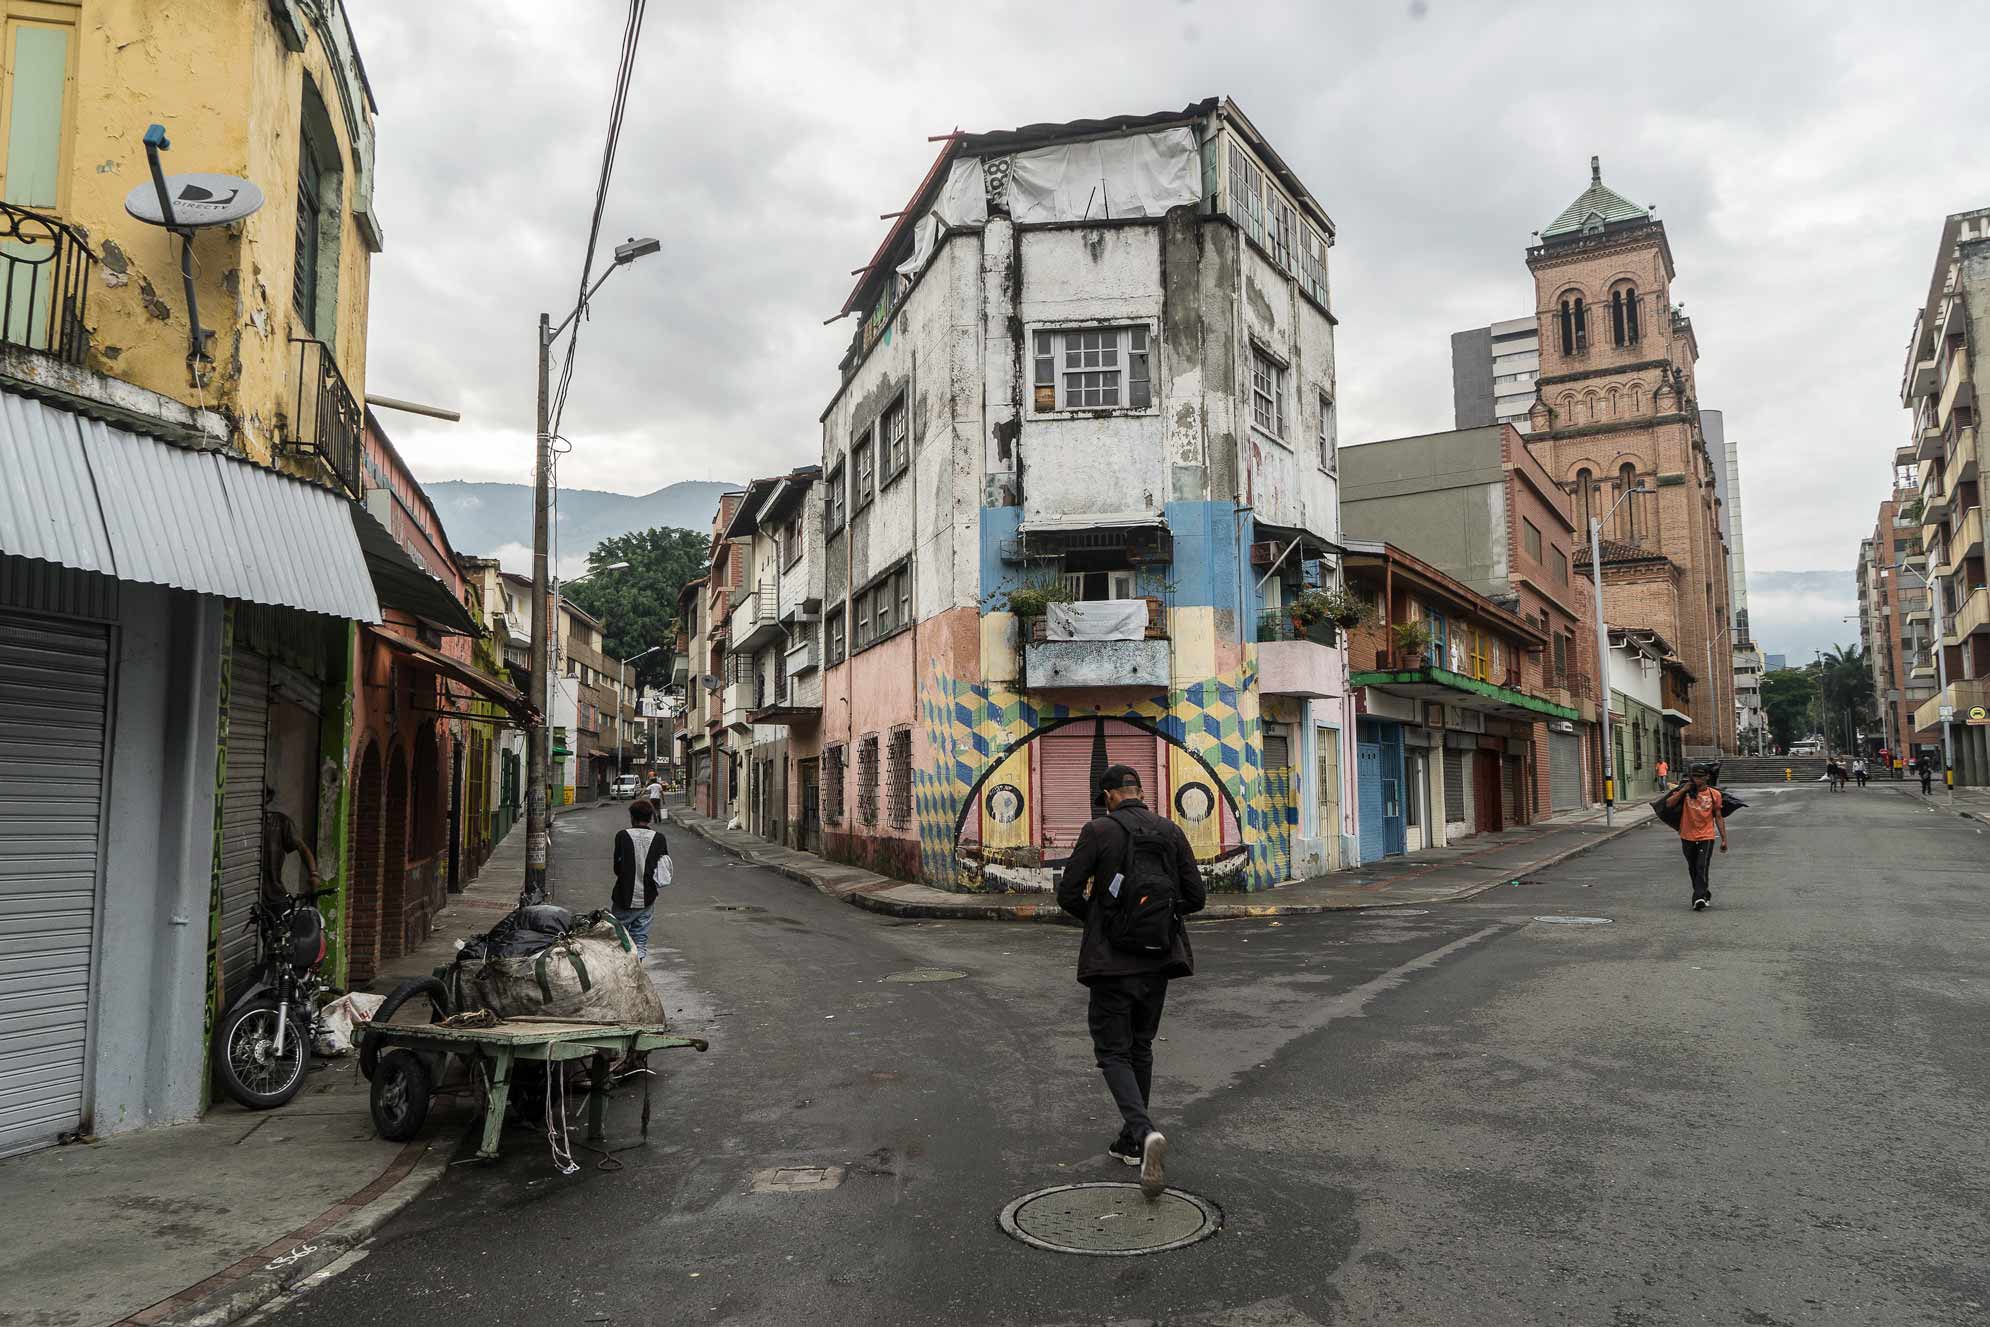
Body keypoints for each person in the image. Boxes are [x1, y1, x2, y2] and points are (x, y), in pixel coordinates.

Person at [1057, 764, 1207, 1198]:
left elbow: (1068, 893)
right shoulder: (1170, 831)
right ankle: (1129, 1140)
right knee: (1140, 1046)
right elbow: (1195, 897)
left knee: (1112, 1051)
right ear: (1139, 791)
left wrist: (1102, 921)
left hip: (1111, 964)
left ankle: (1143, 1133)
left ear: (1108, 796)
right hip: (1159, 960)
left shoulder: (1099, 831)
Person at [610, 799, 671, 958]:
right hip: (647, 897)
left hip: (623, 896)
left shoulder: (622, 836)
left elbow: (617, 868)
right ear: (650, 817)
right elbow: (662, 869)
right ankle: (637, 972)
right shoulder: (659, 838)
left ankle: (620, 973)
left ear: (632, 817)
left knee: (617, 939)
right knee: (640, 940)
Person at [1663, 761, 1728, 910]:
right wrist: (1683, 790)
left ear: (1707, 777)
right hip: (1687, 836)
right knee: (1692, 867)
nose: (1696, 780)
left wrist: (1724, 838)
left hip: (1706, 836)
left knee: (1701, 866)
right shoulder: (1685, 792)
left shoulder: (1714, 794)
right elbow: (1669, 804)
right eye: (1694, 777)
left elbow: (1718, 816)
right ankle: (1704, 892)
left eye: (1700, 777)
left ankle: (1698, 897)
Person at [260, 786, 321, 906]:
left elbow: (302, 848)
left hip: (273, 894)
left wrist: (314, 874)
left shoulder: (280, 822)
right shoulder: (240, 824)